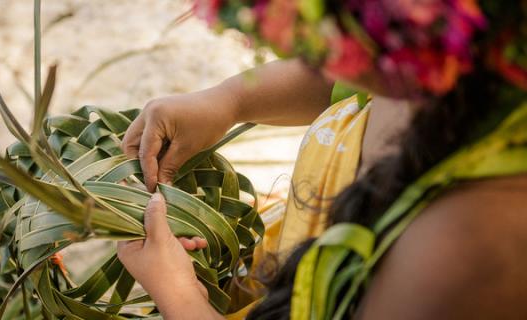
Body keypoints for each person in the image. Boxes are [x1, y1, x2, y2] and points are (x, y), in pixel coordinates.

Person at [116, 1, 527, 319]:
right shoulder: (426, 59)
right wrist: (227, 101)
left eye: (325, 41)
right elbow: (338, 79)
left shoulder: (464, 256)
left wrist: (181, 296)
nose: (318, 58)